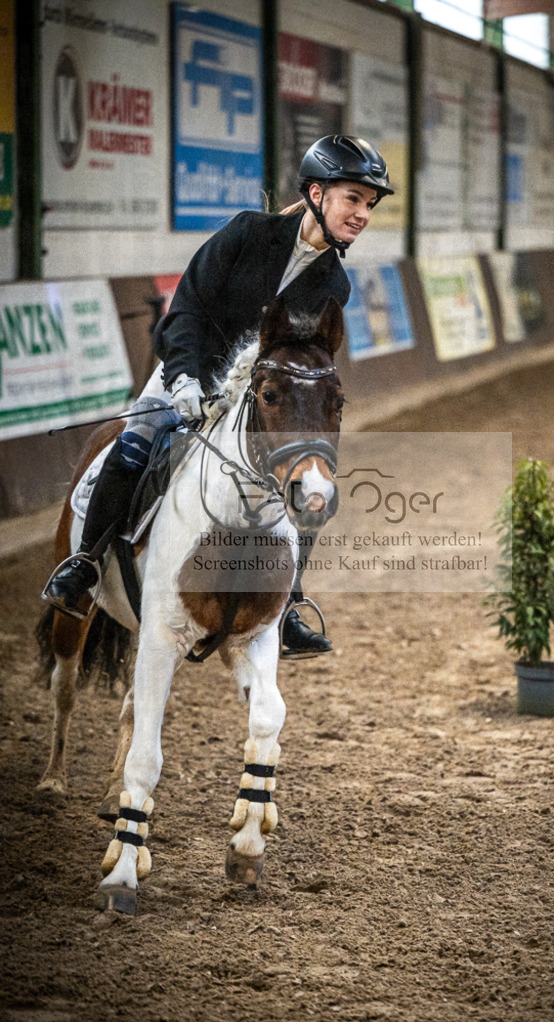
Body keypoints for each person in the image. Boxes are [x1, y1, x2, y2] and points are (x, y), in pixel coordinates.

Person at [44, 135, 394, 655]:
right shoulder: (248, 233)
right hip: (188, 374)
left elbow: (303, 365)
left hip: (256, 403)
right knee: (135, 442)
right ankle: (85, 566)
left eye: (369, 204)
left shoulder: (333, 286)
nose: (363, 213)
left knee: (309, 478)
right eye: (354, 199)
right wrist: (183, 379)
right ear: (317, 195)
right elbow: (186, 308)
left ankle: (289, 600)